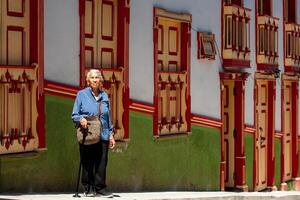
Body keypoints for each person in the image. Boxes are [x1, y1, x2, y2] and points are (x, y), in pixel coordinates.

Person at [71, 69, 115, 197]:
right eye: (92, 78)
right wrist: (81, 119)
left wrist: (111, 134)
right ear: (88, 81)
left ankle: (100, 188)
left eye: (97, 77)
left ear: (100, 80)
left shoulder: (105, 96)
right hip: (88, 131)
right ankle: (88, 187)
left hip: (103, 132)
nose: (95, 80)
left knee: (101, 162)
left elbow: (108, 117)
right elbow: (74, 114)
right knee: (87, 161)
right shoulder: (81, 95)